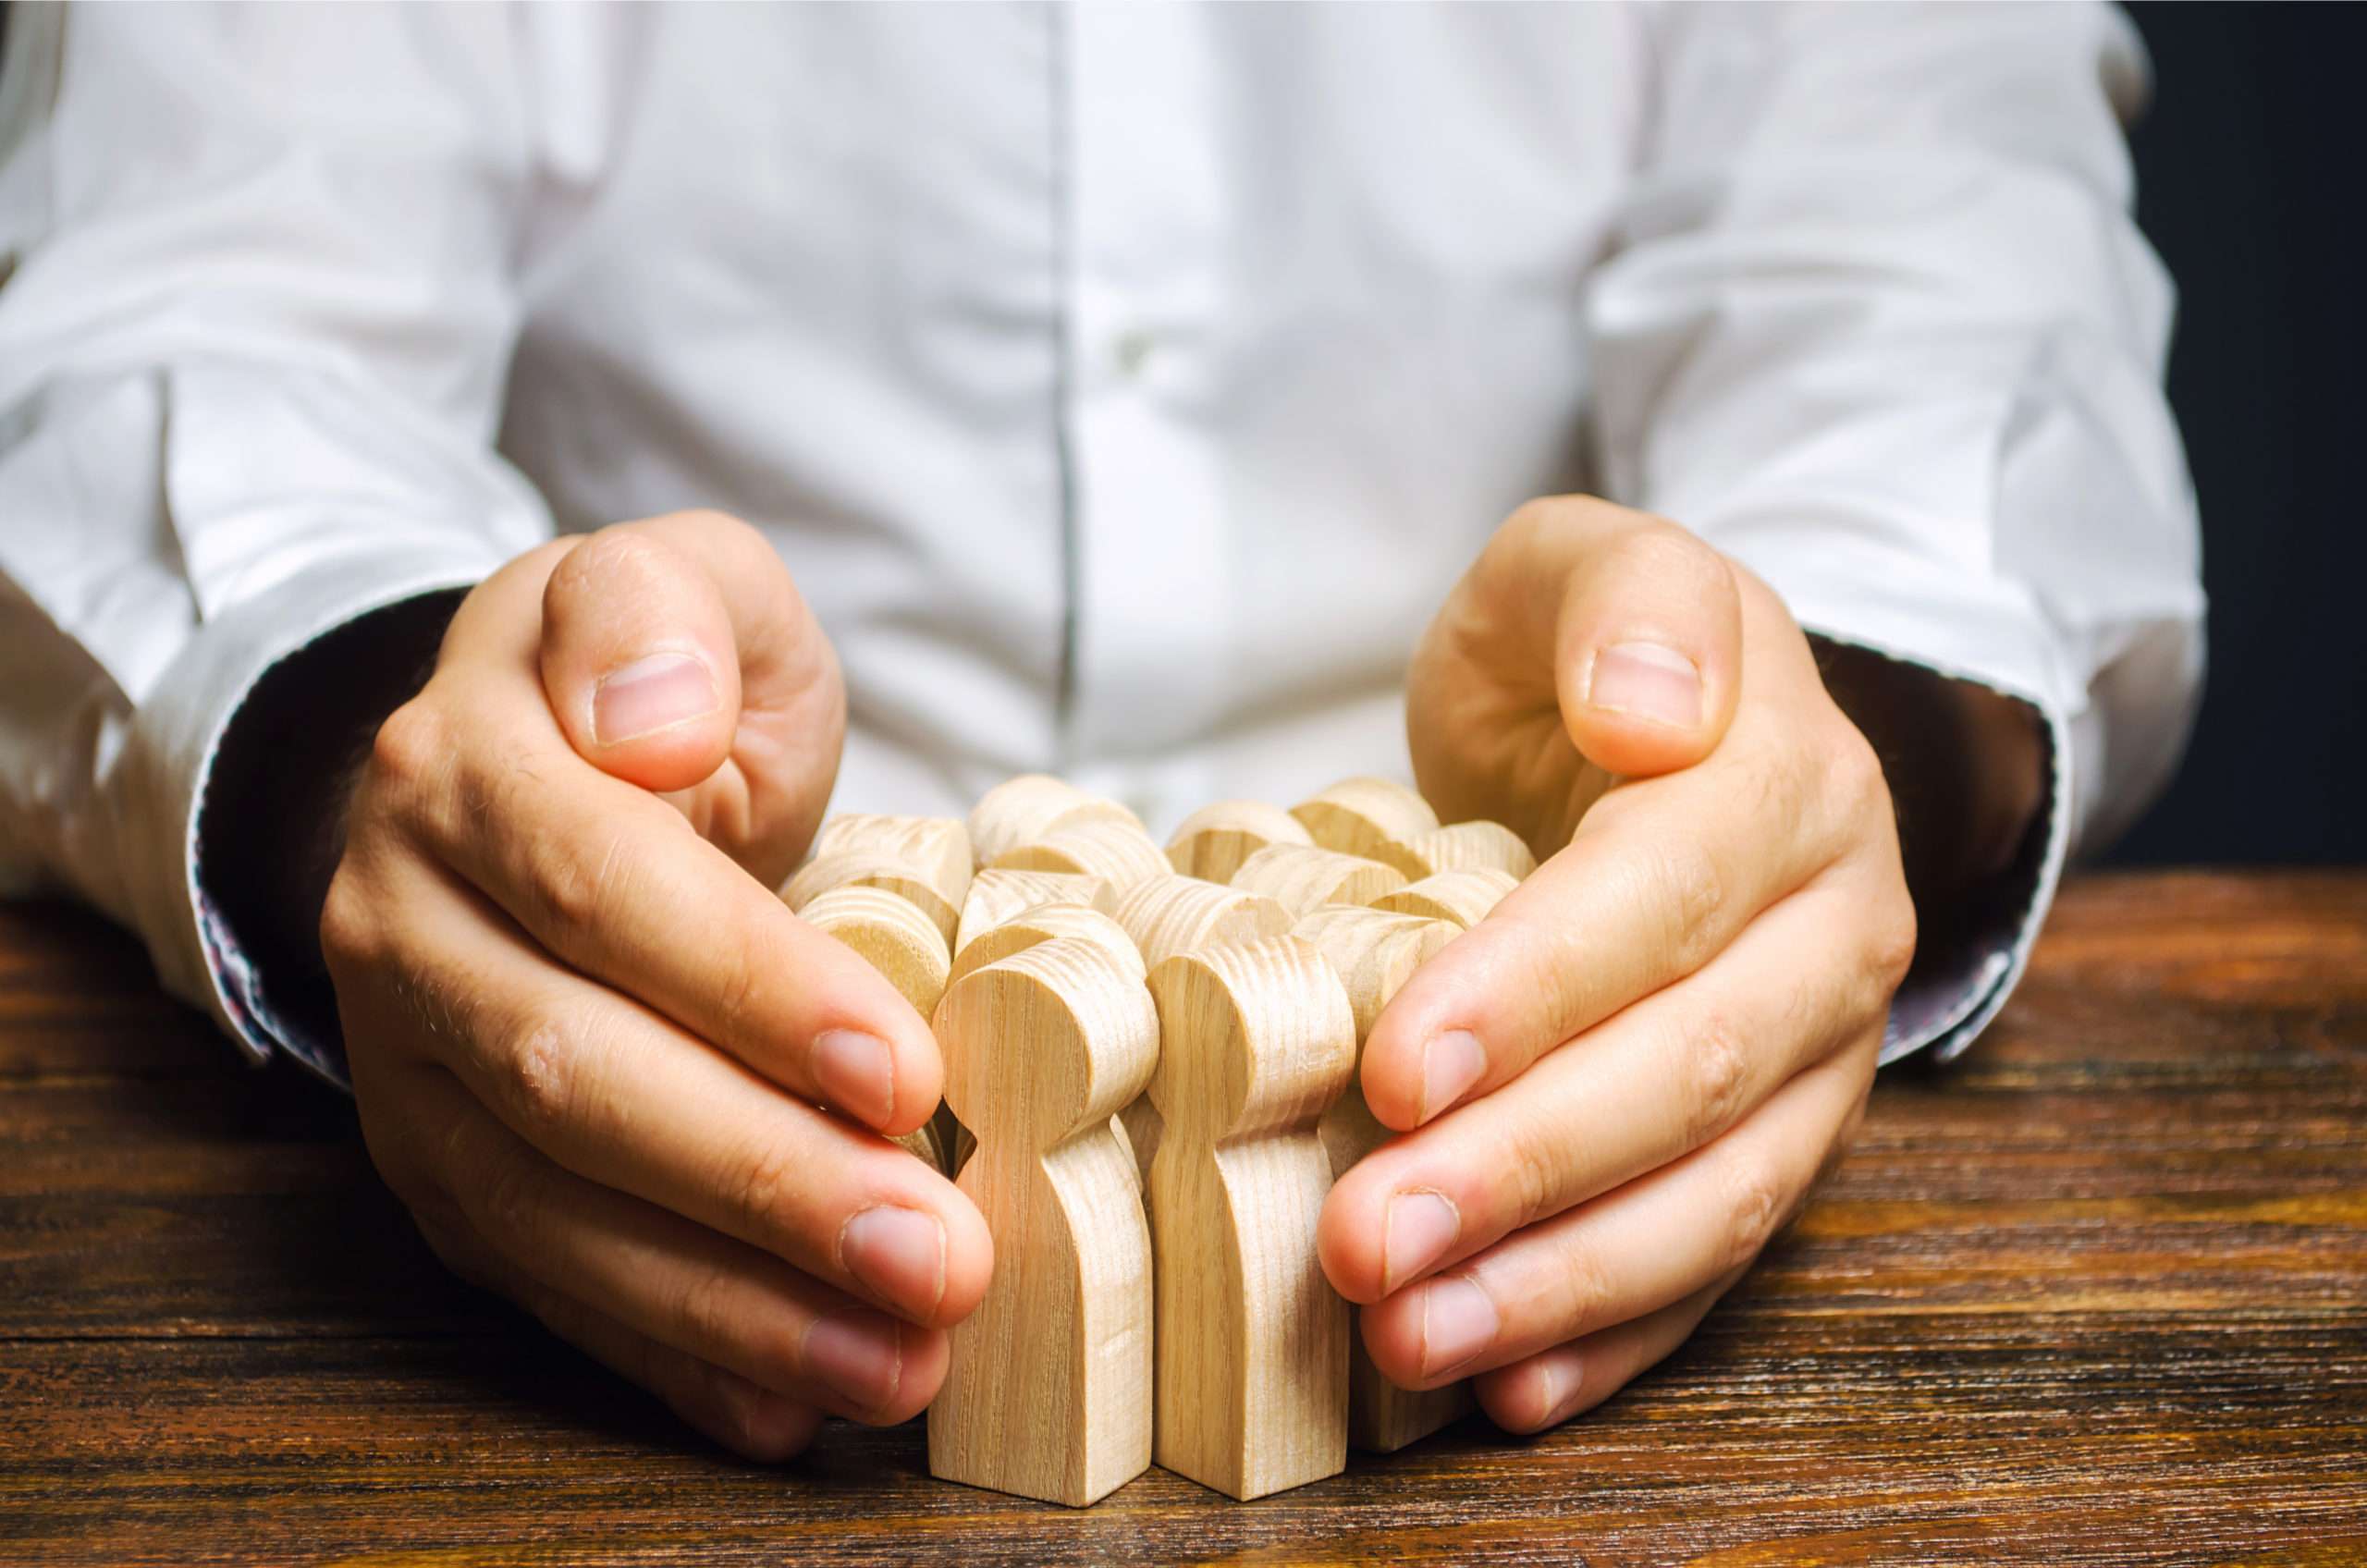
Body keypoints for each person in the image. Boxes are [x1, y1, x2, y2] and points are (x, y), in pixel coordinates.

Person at [0, 4, 2201, 1460]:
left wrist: (1811, 758)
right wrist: (406, 765)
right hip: (750, 987)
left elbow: (1934, 279)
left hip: (1483, 1005)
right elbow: (189, 319)